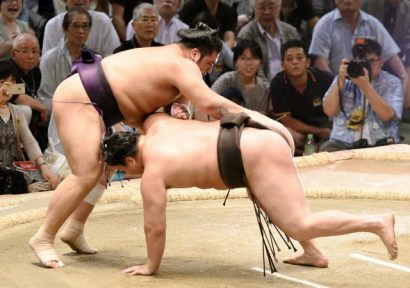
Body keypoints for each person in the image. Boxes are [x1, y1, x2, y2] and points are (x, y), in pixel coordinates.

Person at [29, 23, 294, 269]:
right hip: (81, 99)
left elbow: (171, 99)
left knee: (104, 167)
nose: (208, 70)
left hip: (101, 105)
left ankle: (74, 227)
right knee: (86, 172)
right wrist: (259, 119)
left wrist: (177, 107)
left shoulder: (174, 61)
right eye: (209, 63)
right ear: (194, 53)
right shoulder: (182, 64)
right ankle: (42, 237)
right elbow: (212, 105)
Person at [102, 112, 398, 276]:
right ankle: (313, 252)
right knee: (282, 207)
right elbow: (150, 106)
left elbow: (155, 228)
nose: (128, 176)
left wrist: (150, 266)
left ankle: (376, 222)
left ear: (129, 160)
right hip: (253, 134)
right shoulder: (157, 122)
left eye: (124, 171)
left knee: (299, 223)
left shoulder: (153, 173)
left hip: (254, 155)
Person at [319, 39, 403, 152]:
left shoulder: (392, 82)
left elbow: (387, 116)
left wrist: (365, 86)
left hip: (381, 144)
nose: (367, 66)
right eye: (363, 61)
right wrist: (341, 80)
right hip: (343, 144)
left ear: (381, 62)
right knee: (326, 150)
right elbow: (329, 111)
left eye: (371, 60)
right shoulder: (344, 79)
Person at [309, 0, 407, 86]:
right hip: (336, 86)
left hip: (371, 87)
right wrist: (338, 87)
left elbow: (391, 55)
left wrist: (404, 79)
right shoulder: (324, 25)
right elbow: (320, 62)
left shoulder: (373, 23)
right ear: (335, 0)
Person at [0, 60, 59, 193]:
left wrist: (43, 167)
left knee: (47, 180)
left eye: (12, 82)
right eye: (3, 82)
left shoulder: (16, 111)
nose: (7, 87)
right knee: (16, 179)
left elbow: (30, 142)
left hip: (13, 167)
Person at [269, 39, 334, 152]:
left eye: (299, 58)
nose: (295, 62)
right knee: (288, 135)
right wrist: (318, 131)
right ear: (283, 65)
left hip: (325, 125)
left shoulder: (326, 79)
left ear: (307, 62)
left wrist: (326, 130)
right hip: (299, 130)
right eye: (289, 59)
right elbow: (286, 120)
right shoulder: (277, 84)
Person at [38, 7, 92, 113]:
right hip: (58, 117)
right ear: (64, 29)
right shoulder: (49, 59)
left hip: (88, 116)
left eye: (85, 26)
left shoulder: (94, 59)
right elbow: (44, 98)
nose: (81, 31)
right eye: (75, 26)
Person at [360, 0, 410, 107]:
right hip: (367, 59)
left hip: (397, 60)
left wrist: (405, 73)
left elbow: (407, 42)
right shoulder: (368, 4)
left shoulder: (408, 7)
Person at [237, 0, 300, 81]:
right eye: (262, 7)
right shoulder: (246, 35)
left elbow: (300, 61)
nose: (267, 12)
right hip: (262, 88)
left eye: (271, 7)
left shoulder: (291, 31)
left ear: (279, 8)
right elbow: (250, 70)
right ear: (253, 9)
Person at [10, 32, 49, 151]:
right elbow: (16, 94)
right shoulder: (7, 70)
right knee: (24, 110)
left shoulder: (35, 72)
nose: (31, 56)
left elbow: (32, 94)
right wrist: (41, 108)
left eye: (35, 51)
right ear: (13, 54)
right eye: (24, 51)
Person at [42, 0, 120, 58]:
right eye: (75, 25)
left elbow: (114, 57)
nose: (79, 0)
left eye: (85, 26)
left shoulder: (103, 21)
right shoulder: (52, 25)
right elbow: (47, 62)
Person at [211, 39, 270, 114]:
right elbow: (209, 101)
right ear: (235, 62)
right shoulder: (226, 80)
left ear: (260, 63)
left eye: (254, 58)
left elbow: (263, 115)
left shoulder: (265, 88)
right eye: (243, 58)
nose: (249, 63)